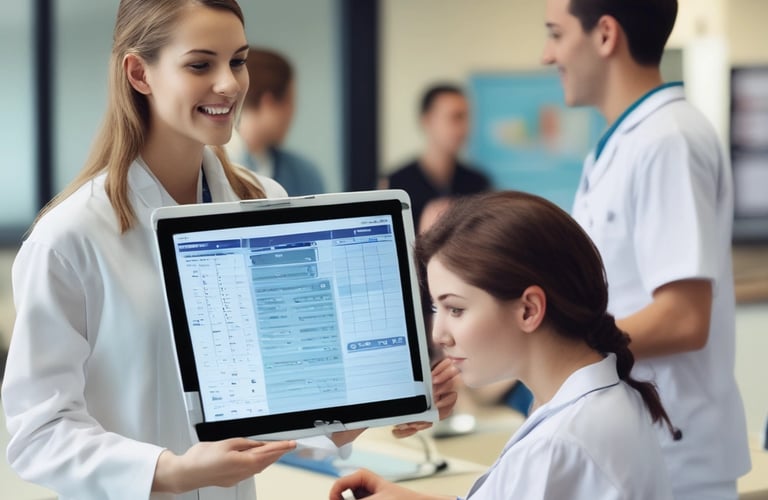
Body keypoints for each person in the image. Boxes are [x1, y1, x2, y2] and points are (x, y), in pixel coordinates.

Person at [1, 1, 361, 499]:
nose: (231, 84)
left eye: (237, 60)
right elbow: (38, 434)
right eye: (200, 64)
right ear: (139, 73)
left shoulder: (265, 203)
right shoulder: (70, 238)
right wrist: (172, 471)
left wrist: (367, 412)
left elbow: (273, 394)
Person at [330, 191, 675, 499]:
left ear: (529, 310)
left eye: (456, 309)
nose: (438, 334)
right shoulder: (595, 402)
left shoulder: (557, 446)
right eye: (436, 308)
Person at [541, 0, 751, 498]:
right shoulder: (618, 146)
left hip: (676, 457)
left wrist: (557, 343)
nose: (547, 55)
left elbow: (683, 318)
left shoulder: (668, 139)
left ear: (606, 35)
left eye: (555, 33)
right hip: (636, 445)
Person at [382, 84, 491, 231]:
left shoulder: (478, 183)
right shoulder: (395, 184)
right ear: (427, 121)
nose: (464, 127)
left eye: (466, 117)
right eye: (455, 117)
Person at [231, 47, 326, 196]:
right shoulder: (213, 170)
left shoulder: (303, 173)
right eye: (290, 102)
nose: (293, 113)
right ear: (268, 103)